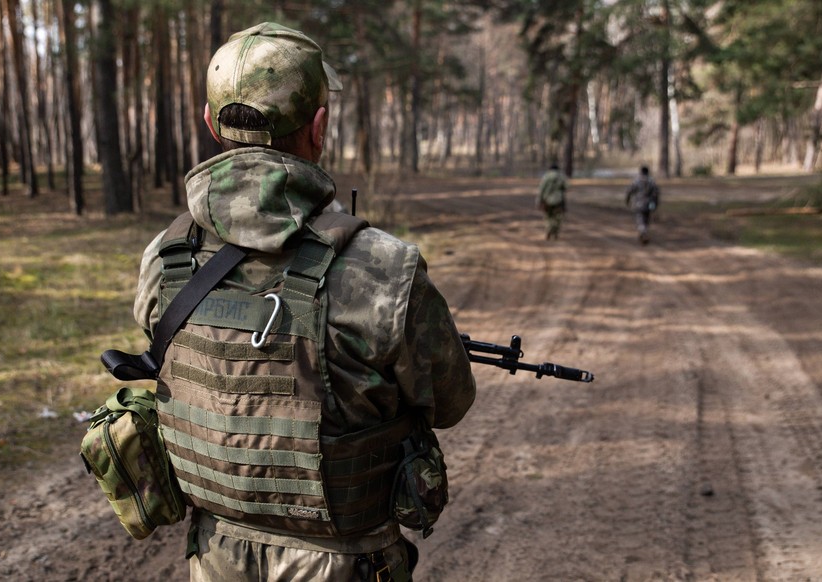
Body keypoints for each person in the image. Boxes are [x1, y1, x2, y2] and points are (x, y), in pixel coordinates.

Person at [131, 22, 476, 582]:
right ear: (319, 127)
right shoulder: (384, 267)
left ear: (209, 123)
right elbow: (450, 401)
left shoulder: (165, 256)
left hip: (214, 556)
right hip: (345, 564)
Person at [625, 165, 661, 244]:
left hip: (638, 203)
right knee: (646, 219)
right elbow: (656, 193)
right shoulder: (651, 181)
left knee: (640, 219)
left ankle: (643, 231)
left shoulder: (637, 180)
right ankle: (645, 231)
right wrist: (655, 204)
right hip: (649, 204)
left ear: (641, 172)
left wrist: (627, 201)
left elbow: (629, 191)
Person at [535, 163, 567, 240]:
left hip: (547, 200)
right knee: (558, 217)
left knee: (548, 217)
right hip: (559, 200)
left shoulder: (546, 177)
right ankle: (555, 232)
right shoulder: (561, 177)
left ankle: (548, 230)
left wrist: (539, 201)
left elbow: (541, 189)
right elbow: (567, 187)